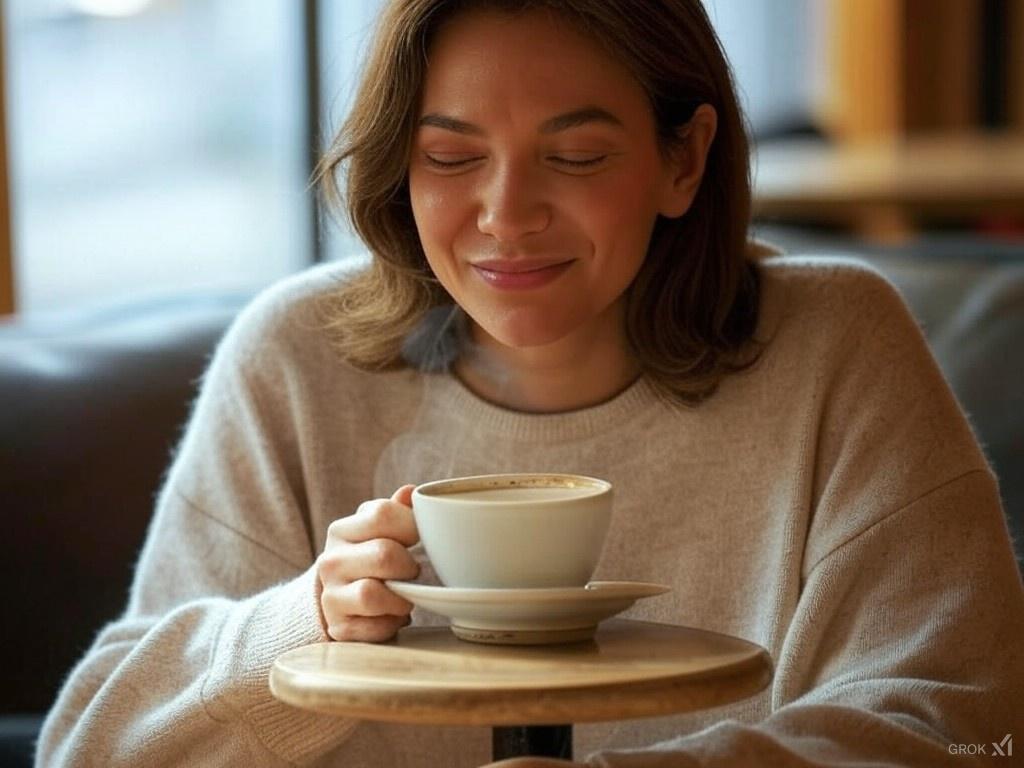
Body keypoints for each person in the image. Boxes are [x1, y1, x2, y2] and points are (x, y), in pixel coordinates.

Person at [38, 1, 1023, 766]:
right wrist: (302, 623)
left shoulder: (834, 350)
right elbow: (89, 748)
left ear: (682, 160)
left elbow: (965, 730)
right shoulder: (297, 362)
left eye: (575, 155)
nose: (505, 215)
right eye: (451, 157)